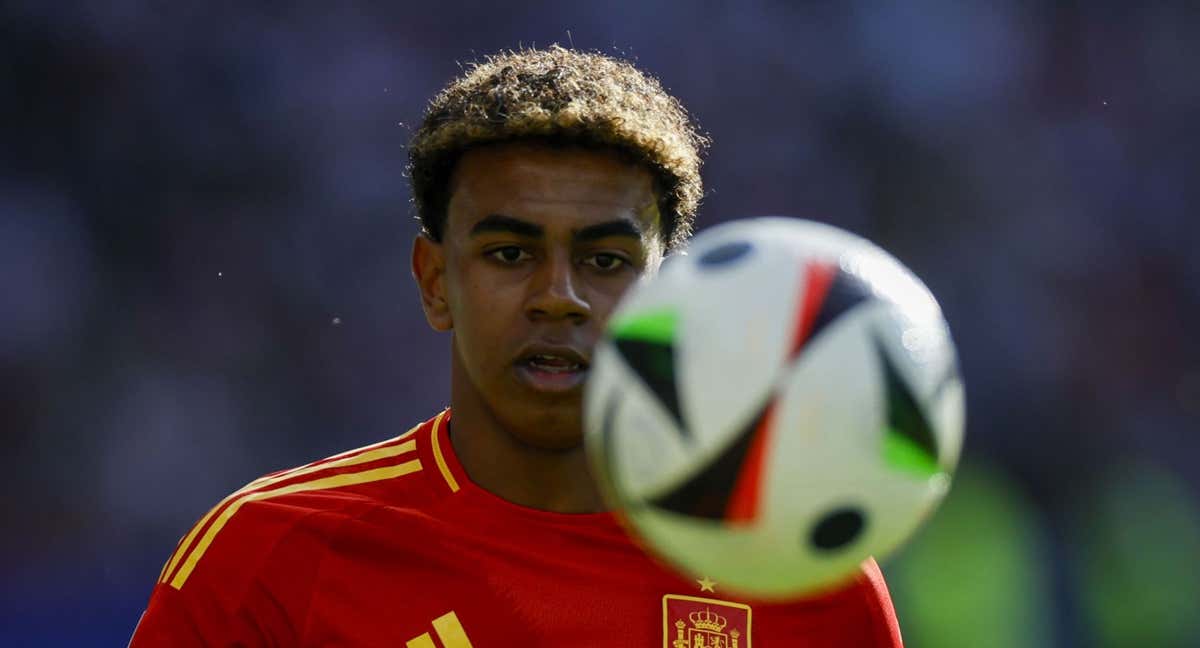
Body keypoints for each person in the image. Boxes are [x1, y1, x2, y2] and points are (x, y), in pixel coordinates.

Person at [130, 46, 904, 647]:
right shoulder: (267, 557)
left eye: (605, 261)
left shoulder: (805, 581)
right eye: (509, 253)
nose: (557, 295)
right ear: (435, 282)